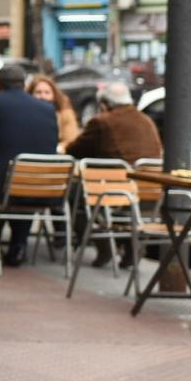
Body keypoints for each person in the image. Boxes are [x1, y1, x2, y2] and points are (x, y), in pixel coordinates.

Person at [65, 81, 163, 268]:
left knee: (74, 193)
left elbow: (75, 150)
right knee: (120, 204)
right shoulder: (146, 120)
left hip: (116, 189)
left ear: (104, 104)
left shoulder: (102, 121)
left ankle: (103, 245)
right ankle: (131, 247)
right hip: (150, 190)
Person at [0, 64, 59, 267]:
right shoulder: (47, 109)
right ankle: (18, 247)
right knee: (23, 184)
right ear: (24, 83)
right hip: (40, 188)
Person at [28, 74, 80, 148]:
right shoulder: (26, 113)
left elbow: (71, 140)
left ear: (54, 95)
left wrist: (59, 148)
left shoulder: (65, 114)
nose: (43, 96)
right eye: (38, 92)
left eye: (47, 92)